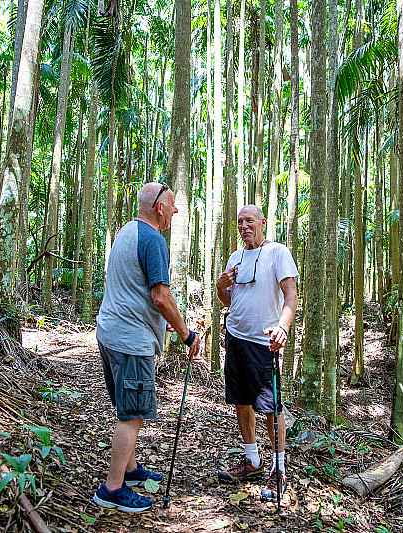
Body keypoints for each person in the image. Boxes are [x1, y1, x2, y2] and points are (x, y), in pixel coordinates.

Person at [93, 182, 201, 513]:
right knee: (135, 413)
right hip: (130, 340)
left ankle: (130, 469)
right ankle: (112, 488)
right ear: (158, 208)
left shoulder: (127, 231)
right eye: (171, 205)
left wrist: (160, 319)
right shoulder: (153, 240)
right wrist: (187, 334)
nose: (175, 211)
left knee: (128, 408)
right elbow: (160, 296)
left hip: (109, 332)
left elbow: (134, 289)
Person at [215, 204, 298, 503]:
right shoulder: (235, 257)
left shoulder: (278, 252)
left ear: (263, 222)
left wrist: (283, 328)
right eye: (239, 222)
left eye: (250, 221)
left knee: (270, 408)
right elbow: (227, 301)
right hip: (235, 338)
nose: (244, 226)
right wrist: (220, 286)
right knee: (241, 402)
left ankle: (279, 469)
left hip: (263, 342)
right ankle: (253, 461)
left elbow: (291, 294)